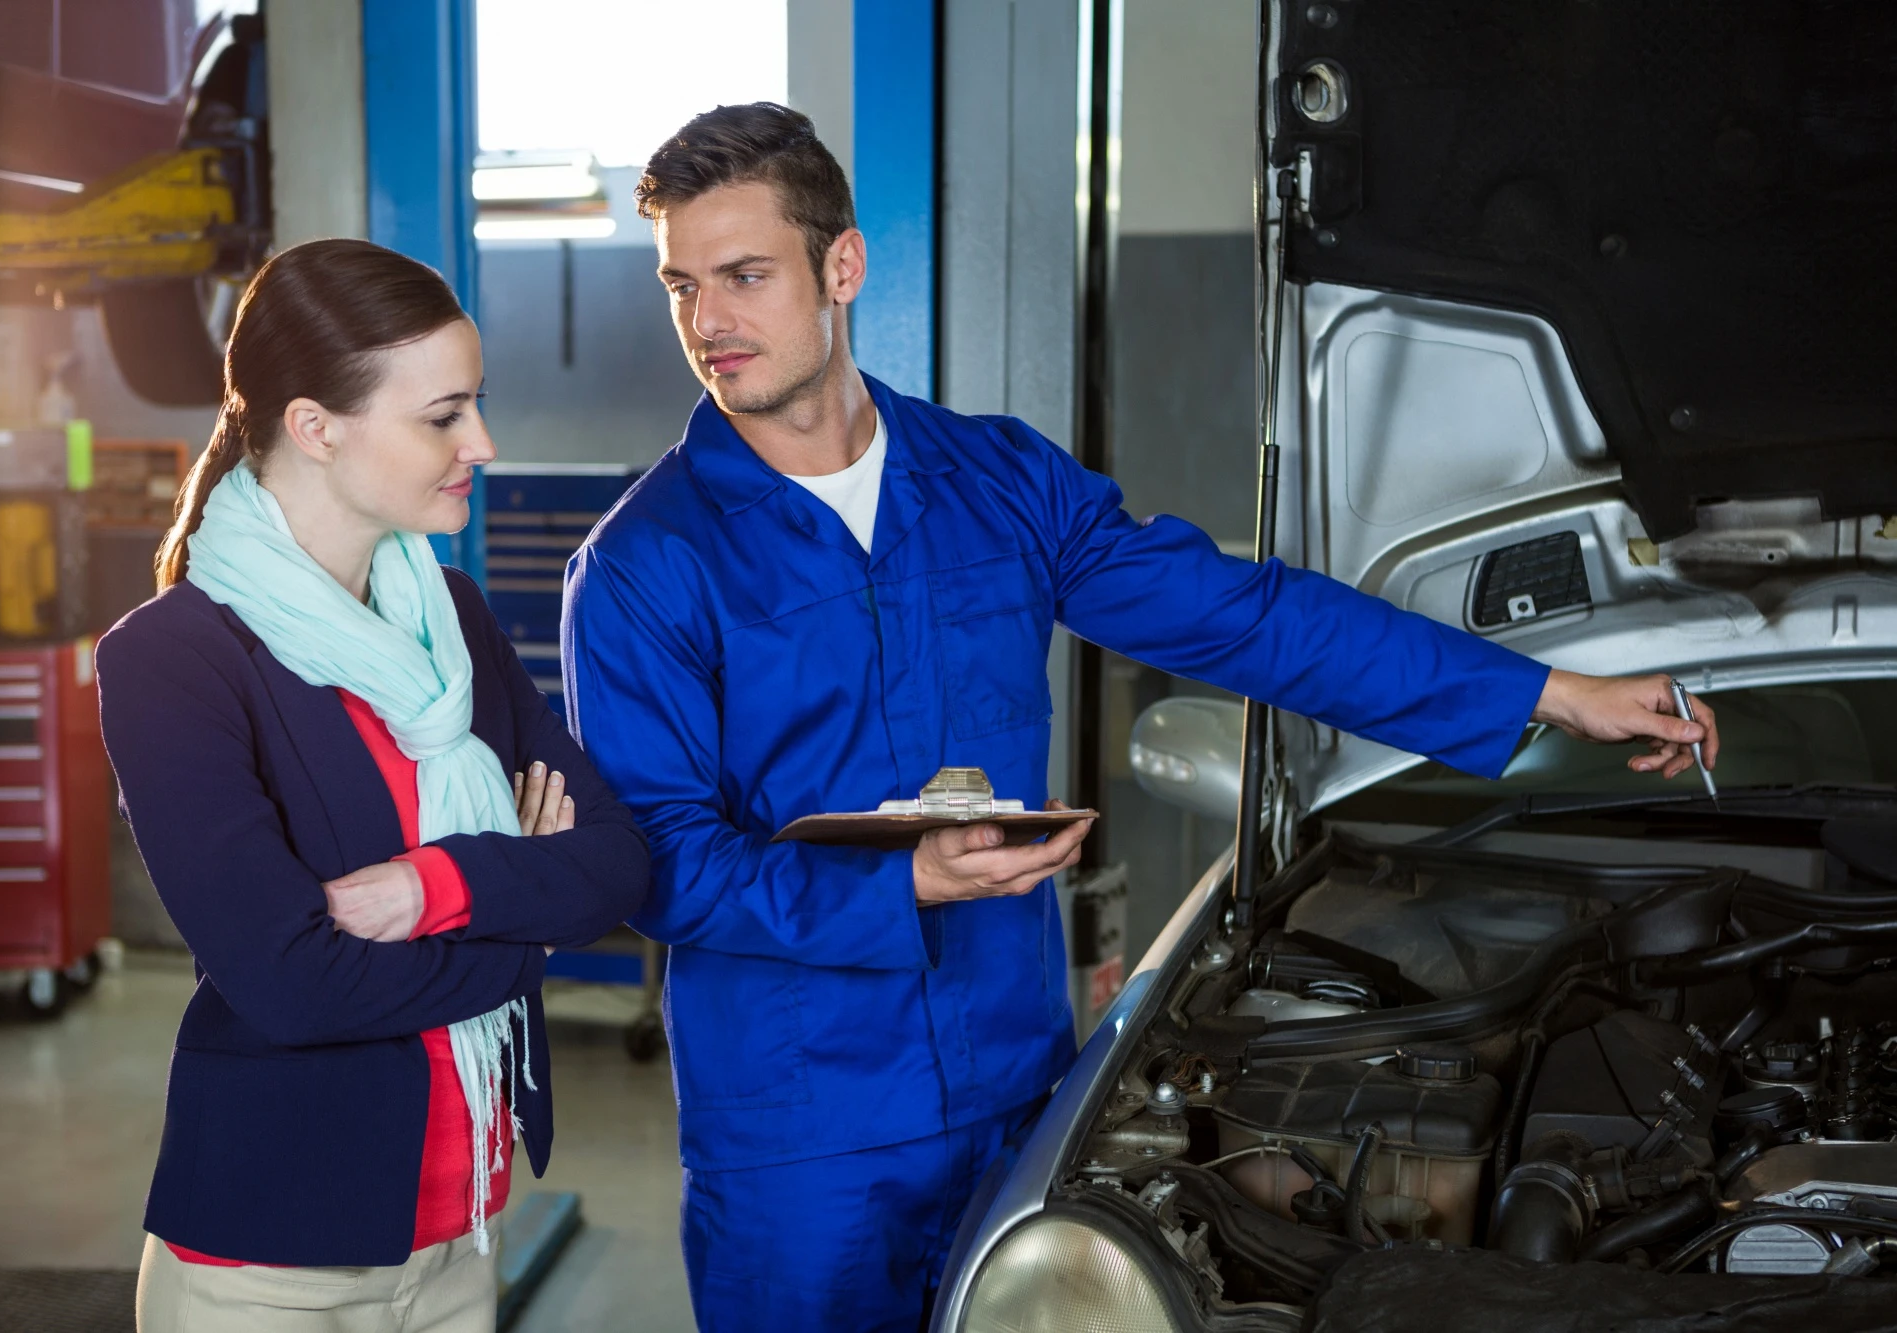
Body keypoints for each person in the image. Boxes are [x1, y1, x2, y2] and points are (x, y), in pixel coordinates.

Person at [561, 103, 1720, 1331]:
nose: (708, 325)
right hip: (799, 1137)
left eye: (745, 277)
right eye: (681, 286)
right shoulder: (645, 563)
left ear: (841, 266)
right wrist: (899, 887)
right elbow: (658, 864)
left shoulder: (996, 483)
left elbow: (1245, 617)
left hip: (1015, 1089)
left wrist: (1544, 690)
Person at [99, 239, 649, 1332]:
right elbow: (291, 984)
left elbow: (615, 866)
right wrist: (523, 932)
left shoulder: (452, 622)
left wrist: (434, 885)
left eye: (474, 408)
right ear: (316, 426)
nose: (480, 444)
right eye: (442, 416)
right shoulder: (174, 658)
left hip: (459, 1239)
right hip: (267, 1258)